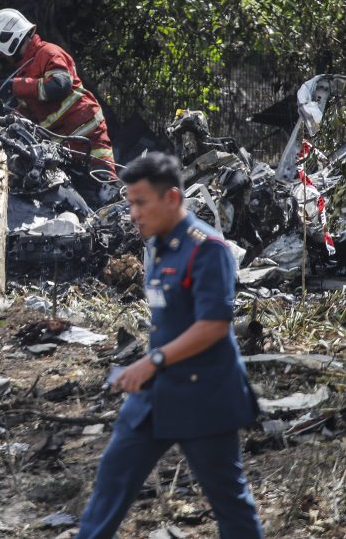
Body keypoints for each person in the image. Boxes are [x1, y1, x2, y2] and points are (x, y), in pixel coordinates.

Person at [75, 152, 263, 538]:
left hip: (204, 395)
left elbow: (212, 326)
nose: (133, 213)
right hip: (154, 396)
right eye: (130, 203)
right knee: (112, 479)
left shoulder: (207, 249)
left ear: (172, 199)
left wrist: (151, 361)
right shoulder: (158, 246)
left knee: (230, 503)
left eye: (141, 202)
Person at [0, 8, 117, 182]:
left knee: (106, 191)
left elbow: (60, 85)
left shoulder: (48, 52)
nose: (4, 58)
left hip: (89, 139)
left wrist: (17, 86)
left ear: (10, 41)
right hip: (64, 150)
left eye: (2, 52)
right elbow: (28, 114)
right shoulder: (25, 72)